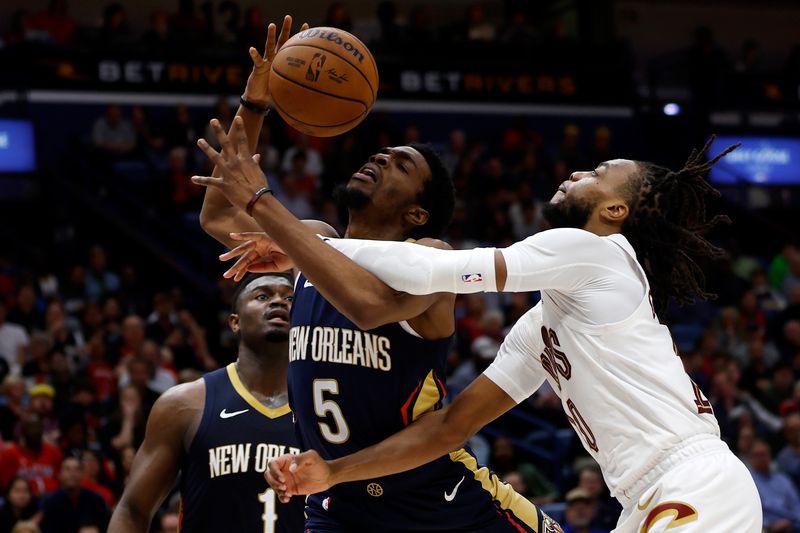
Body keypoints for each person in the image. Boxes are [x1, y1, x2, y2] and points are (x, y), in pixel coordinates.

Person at [194, 131, 763, 531]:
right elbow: (453, 427)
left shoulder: (601, 252)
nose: (575, 173)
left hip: (691, 480)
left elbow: (438, 270)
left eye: (595, 175)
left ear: (615, 211)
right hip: (640, 498)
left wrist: (284, 226)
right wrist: (334, 472)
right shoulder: (542, 328)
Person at [194, 18, 559, 533]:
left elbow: (368, 305)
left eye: (400, 166)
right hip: (337, 499)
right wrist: (256, 105)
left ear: (416, 213)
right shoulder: (315, 240)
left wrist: (263, 200)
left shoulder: (431, 256)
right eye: (382, 154)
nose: (380, 157)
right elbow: (216, 217)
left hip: (439, 497)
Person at [107, 271, 303, 532]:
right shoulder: (184, 404)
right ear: (234, 322)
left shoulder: (324, 406)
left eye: (290, 298)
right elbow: (132, 510)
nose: (279, 302)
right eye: (263, 296)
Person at [40, 457, 109, 533]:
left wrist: (97, 530)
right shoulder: (49, 502)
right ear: (59, 474)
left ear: (82, 474)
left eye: (77, 470)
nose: (72, 474)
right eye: (67, 469)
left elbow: (107, 524)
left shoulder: (95, 499)